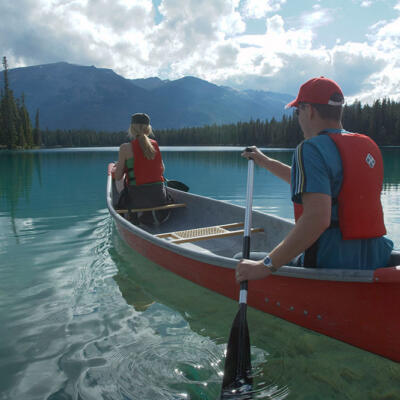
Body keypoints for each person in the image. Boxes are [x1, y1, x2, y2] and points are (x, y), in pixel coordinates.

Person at [236, 77, 394, 283]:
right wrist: (263, 160)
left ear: (308, 110)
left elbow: (317, 219)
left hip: (330, 262)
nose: (298, 117)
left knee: (240, 260)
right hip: (375, 259)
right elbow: (316, 187)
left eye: (297, 111)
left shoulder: (310, 148)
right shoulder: (367, 146)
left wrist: (264, 266)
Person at [112, 113, 170, 224]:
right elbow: (162, 169)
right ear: (148, 129)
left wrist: (120, 166)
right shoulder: (155, 145)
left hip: (136, 200)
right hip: (159, 197)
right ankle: (148, 215)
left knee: (120, 181)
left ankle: (136, 216)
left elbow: (118, 176)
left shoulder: (125, 148)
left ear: (131, 129)